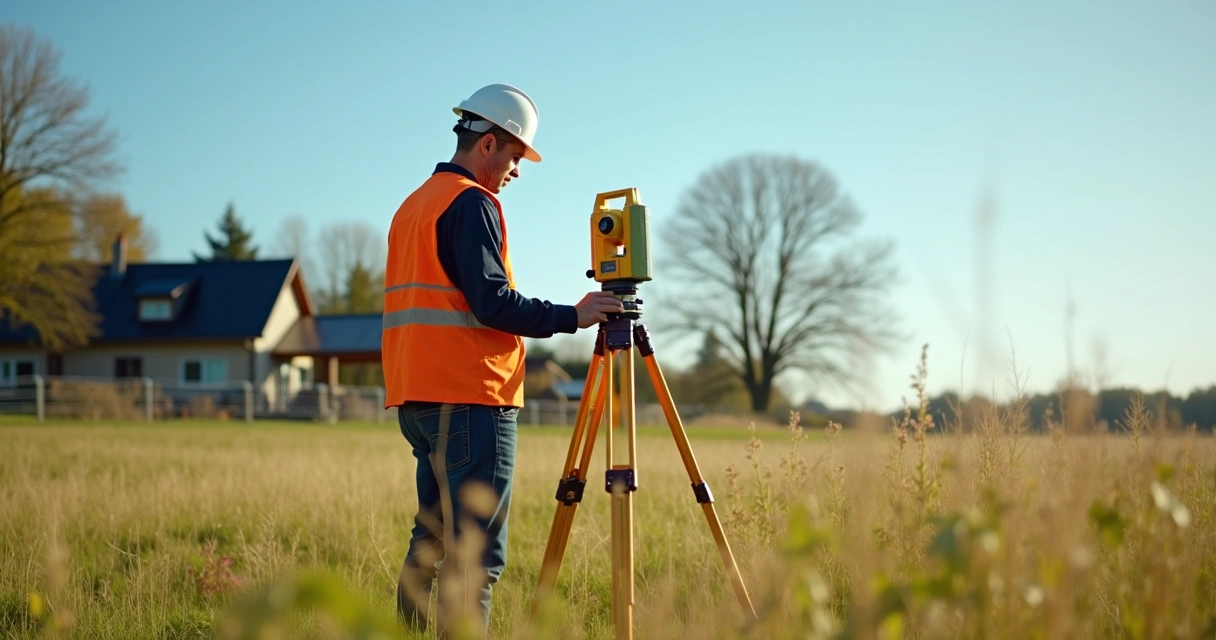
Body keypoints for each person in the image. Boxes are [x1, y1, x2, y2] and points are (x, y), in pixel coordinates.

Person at [381, 84, 623, 637]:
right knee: (474, 563)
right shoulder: (471, 203)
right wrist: (574, 314)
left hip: (419, 400)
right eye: (515, 157)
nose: (516, 171)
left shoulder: (414, 204)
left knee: (431, 547)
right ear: (488, 143)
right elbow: (491, 303)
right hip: (471, 401)